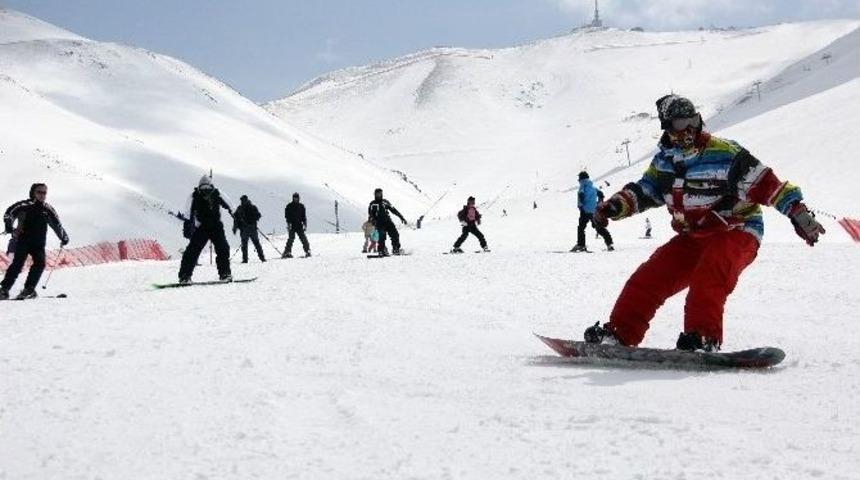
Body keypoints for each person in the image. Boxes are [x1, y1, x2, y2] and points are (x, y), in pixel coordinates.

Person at [585, 94, 825, 352]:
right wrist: (614, 206)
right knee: (649, 277)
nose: (688, 129)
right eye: (680, 124)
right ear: (667, 127)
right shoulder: (664, 163)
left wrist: (797, 212)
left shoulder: (724, 154)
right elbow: (646, 191)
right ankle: (620, 334)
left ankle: (702, 337)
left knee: (710, 274)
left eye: (693, 120)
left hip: (737, 230)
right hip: (695, 236)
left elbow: (767, 184)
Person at [1, 183, 69, 300]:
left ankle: (29, 289)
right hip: (23, 240)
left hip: (39, 243)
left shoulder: (47, 209)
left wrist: (64, 237)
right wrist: (9, 228)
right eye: (39, 192)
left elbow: (56, 224)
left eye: (44, 192)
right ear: (33, 192)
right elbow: (9, 214)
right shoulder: (24, 205)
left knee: (40, 264)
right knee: (17, 264)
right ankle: (4, 290)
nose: (42, 195)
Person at [178, 175, 233, 284]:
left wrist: (237, 216)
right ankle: (185, 276)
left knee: (223, 248)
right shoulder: (194, 196)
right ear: (199, 187)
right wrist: (187, 225)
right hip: (202, 227)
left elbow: (230, 205)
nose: (205, 191)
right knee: (192, 251)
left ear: (211, 186)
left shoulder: (217, 193)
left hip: (216, 226)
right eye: (203, 188)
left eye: (207, 188)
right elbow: (188, 212)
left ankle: (225, 274)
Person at [572, 171, 614, 252]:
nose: (578, 180)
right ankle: (609, 244)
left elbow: (581, 195)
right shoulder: (593, 187)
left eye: (579, 178)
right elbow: (601, 193)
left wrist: (581, 205)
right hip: (594, 211)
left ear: (581, 179)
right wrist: (600, 202)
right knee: (598, 227)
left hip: (585, 210)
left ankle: (581, 245)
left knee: (581, 228)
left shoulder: (582, 186)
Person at [368, 188, 407, 256]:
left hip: (388, 221)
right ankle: (382, 250)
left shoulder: (385, 201)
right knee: (382, 237)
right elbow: (370, 214)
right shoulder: (373, 204)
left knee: (395, 234)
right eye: (377, 194)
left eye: (380, 193)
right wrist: (372, 220)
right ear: (374, 194)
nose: (379, 195)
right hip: (379, 223)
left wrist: (401, 217)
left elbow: (393, 210)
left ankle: (396, 249)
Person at [232, 195, 266, 263]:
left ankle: (245, 260)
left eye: (242, 200)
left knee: (245, 244)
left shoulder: (240, 208)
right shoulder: (252, 207)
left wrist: (235, 228)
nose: (242, 201)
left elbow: (235, 219)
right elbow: (258, 215)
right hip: (251, 229)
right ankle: (262, 258)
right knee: (256, 244)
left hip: (245, 229)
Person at [283, 193, 311, 258]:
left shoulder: (301, 206)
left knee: (303, 238)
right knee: (291, 239)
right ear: (292, 198)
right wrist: (288, 223)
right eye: (294, 197)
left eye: (297, 197)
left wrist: (305, 224)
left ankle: (307, 251)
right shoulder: (289, 206)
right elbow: (287, 216)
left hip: (299, 225)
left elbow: (303, 216)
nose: (295, 199)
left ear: (299, 198)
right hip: (292, 225)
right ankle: (287, 252)